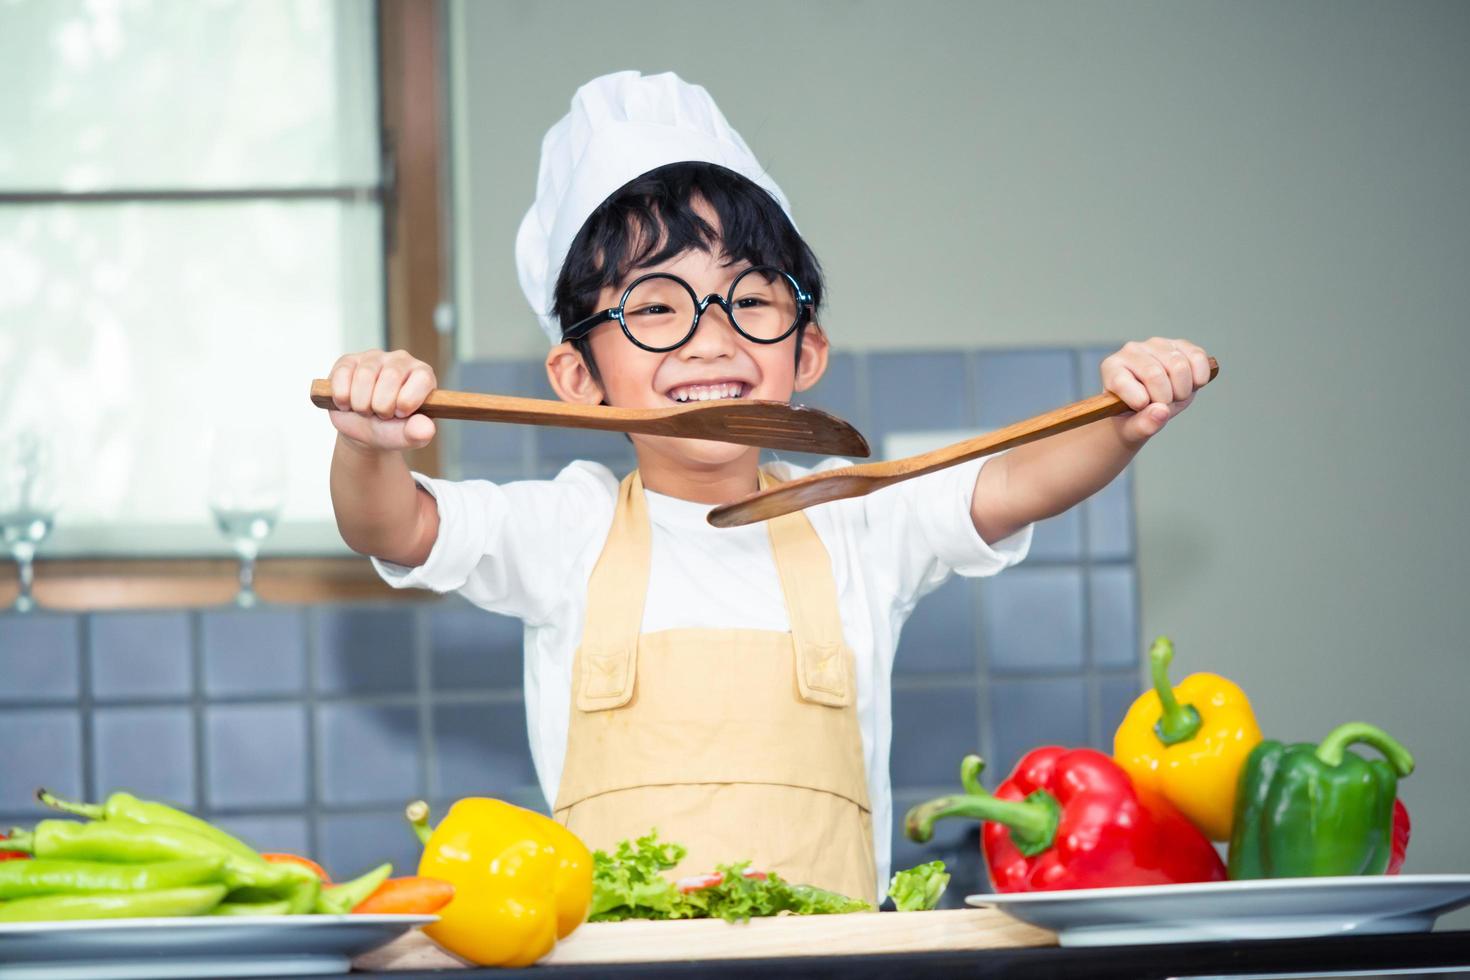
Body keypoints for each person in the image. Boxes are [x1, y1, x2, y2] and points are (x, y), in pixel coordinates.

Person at [324, 71, 1212, 905]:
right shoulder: (568, 526)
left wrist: (1120, 419)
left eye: (751, 301)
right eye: (656, 308)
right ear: (577, 375)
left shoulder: (860, 514)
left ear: (807, 351)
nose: (710, 341)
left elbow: (1018, 480)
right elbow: (396, 528)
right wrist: (369, 444)